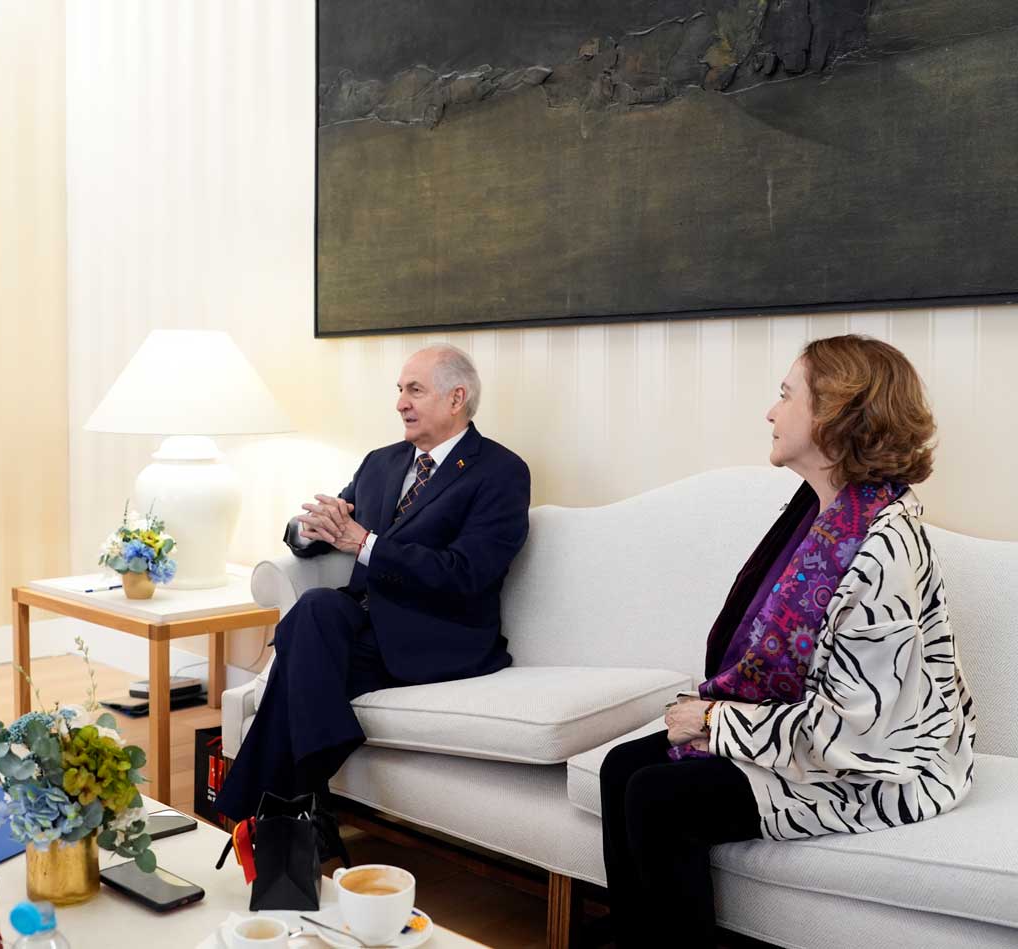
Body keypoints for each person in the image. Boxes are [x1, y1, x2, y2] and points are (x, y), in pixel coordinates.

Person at [599, 335, 977, 946]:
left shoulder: (882, 549)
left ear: (835, 414)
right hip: (809, 733)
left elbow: (854, 731)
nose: (770, 412)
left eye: (785, 395)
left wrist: (715, 721)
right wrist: (719, 718)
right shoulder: (818, 511)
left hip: (879, 767)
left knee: (658, 796)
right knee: (621, 766)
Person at [215, 344, 531, 822]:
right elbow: (328, 526)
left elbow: (465, 573)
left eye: (415, 390)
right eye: (400, 390)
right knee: (316, 608)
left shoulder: (500, 472)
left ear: (456, 398)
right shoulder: (381, 462)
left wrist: (365, 543)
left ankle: (259, 817)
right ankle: (307, 792)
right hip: (365, 620)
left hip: (437, 632)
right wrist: (308, 529)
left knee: (297, 655)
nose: (400, 403)